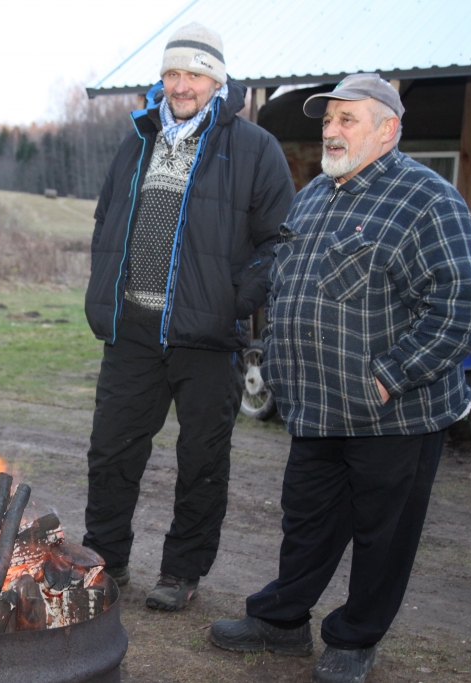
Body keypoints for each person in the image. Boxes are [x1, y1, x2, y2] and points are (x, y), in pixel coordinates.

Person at [209, 73, 471, 683]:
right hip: (315, 407)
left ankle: (356, 639)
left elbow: (462, 311)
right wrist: (279, 365)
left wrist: (388, 376)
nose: (331, 132)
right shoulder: (315, 195)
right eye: (328, 120)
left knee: (382, 536)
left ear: (387, 129)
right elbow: (288, 288)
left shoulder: (429, 201)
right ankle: (281, 622)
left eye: (347, 120)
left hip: (395, 412)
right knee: (306, 521)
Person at [82, 22, 295, 611]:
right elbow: (106, 222)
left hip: (207, 336)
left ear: (217, 82)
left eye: (195, 74)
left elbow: (280, 241)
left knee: (202, 460)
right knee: (112, 452)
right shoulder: (138, 141)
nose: (182, 85)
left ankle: (181, 573)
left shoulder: (254, 148)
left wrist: (235, 301)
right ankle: (105, 562)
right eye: (173, 73)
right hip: (133, 331)